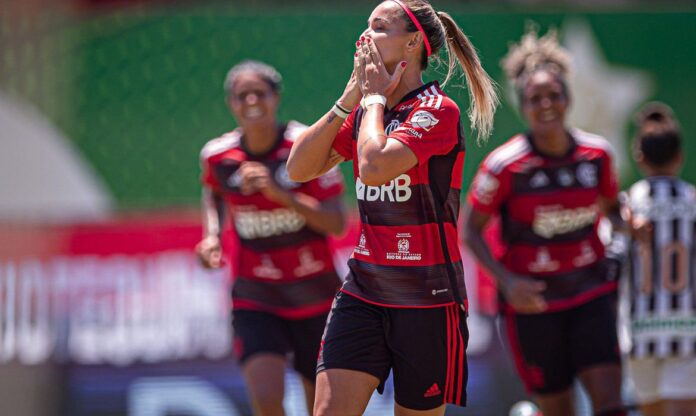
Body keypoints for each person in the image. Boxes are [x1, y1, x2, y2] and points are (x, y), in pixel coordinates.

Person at [286, 1, 498, 414]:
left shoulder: (437, 110)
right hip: (364, 290)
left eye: (380, 27)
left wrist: (373, 103)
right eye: (366, 25)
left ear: (414, 41)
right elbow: (298, 168)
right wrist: (351, 98)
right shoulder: (368, 111)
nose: (364, 36)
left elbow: (374, 165)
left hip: (427, 299)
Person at [463, 28, 627, 416]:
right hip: (533, 305)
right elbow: (470, 229)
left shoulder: (597, 155)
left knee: (611, 403)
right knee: (557, 409)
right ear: (524, 106)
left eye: (554, 95)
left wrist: (627, 221)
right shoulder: (505, 166)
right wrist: (508, 281)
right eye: (535, 99)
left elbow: (612, 209)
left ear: (568, 98)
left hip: (591, 294)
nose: (546, 105)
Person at [196, 60, 346, 416]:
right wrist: (212, 236)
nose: (251, 101)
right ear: (230, 103)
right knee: (265, 399)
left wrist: (280, 194)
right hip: (256, 297)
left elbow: (336, 223)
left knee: (322, 408)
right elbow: (213, 192)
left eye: (259, 93)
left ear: (276, 98)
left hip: (317, 296)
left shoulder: (306, 145)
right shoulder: (218, 155)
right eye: (240, 95)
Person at [620, 102, 696, 416]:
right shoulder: (692, 200)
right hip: (687, 329)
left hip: (639, 332)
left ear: (639, 157)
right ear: (680, 156)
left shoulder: (626, 206)